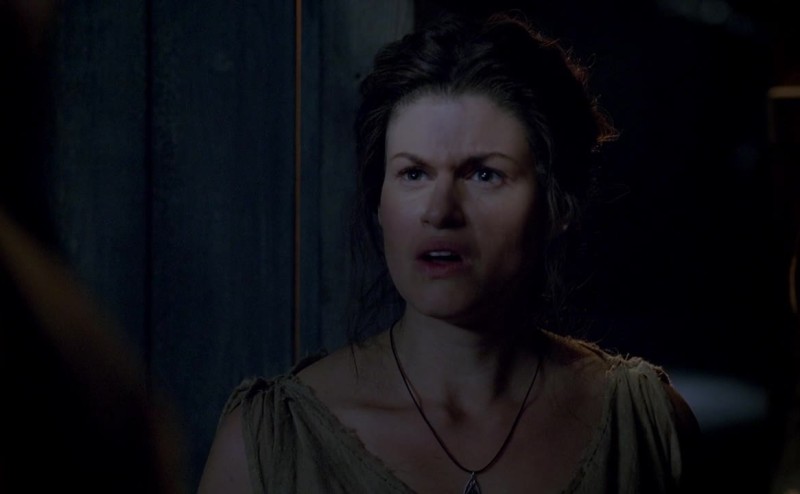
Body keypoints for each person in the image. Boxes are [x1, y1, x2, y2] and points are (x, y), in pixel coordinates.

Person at [198, 11, 700, 493]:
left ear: (557, 204)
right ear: (379, 203)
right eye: (414, 173)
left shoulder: (644, 426)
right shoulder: (270, 442)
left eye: (484, 174)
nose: (440, 211)